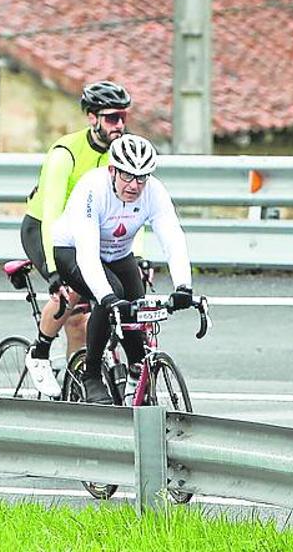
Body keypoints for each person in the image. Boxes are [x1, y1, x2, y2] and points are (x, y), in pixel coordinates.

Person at [50, 134, 194, 404]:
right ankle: (91, 375)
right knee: (113, 296)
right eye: (127, 176)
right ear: (113, 170)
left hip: (118, 254)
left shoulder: (154, 191)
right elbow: (88, 255)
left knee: (135, 318)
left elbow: (172, 238)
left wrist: (183, 286)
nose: (134, 185)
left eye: (141, 178)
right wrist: (108, 299)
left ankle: (134, 379)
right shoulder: (92, 190)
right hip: (74, 252)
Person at [21, 80, 132, 397]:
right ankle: (39, 352)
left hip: (85, 231)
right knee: (72, 289)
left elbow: (128, 210)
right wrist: (55, 269)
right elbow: (52, 214)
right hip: (45, 228)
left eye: (123, 117)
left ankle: (77, 381)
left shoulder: (119, 155)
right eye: (112, 118)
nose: (120, 125)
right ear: (92, 118)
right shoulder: (64, 154)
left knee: (81, 321)